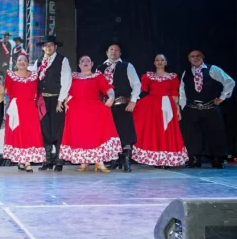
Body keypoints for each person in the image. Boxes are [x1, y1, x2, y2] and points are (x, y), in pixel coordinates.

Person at [59, 56, 121, 172]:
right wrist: (65, 100)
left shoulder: (98, 76)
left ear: (92, 64)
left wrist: (111, 97)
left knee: (95, 134)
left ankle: (99, 161)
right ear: (79, 65)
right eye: (82, 61)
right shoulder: (73, 77)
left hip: (94, 109)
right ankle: (84, 161)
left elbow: (108, 88)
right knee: (80, 135)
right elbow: (65, 89)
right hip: (76, 109)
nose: (85, 62)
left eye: (88, 61)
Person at [180, 50, 236, 169]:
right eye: (192, 56)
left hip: (209, 107)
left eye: (198, 56)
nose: (195, 58)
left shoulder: (213, 69)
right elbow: (182, 90)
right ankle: (195, 159)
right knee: (192, 135)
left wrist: (222, 97)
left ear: (203, 57)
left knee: (215, 133)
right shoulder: (186, 72)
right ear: (189, 59)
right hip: (192, 108)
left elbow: (229, 82)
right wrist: (183, 107)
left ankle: (217, 159)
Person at [133, 54, 188, 168]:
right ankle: (156, 158)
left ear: (166, 62)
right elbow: (142, 89)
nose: (159, 62)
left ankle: (166, 159)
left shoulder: (172, 77)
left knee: (167, 130)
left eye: (162, 60)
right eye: (157, 60)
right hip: (153, 106)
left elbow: (174, 94)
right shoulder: (149, 76)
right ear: (154, 62)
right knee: (155, 130)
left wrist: (177, 108)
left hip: (168, 105)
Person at [96, 43, 141, 172]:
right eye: (111, 50)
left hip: (123, 104)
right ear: (107, 52)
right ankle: (114, 160)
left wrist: (133, 101)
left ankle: (126, 161)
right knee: (110, 133)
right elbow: (96, 86)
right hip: (106, 106)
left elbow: (136, 84)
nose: (114, 52)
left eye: (116, 50)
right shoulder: (101, 67)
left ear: (120, 53)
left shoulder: (127, 66)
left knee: (125, 133)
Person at [32, 35, 72, 172]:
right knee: (45, 129)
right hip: (43, 100)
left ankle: (59, 160)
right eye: (46, 45)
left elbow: (66, 80)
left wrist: (61, 100)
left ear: (55, 47)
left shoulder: (62, 60)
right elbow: (34, 81)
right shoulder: (39, 62)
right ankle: (47, 160)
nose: (48, 47)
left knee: (58, 129)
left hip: (57, 99)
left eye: (51, 45)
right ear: (43, 48)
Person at [4, 54, 46, 171]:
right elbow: (8, 93)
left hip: (30, 108)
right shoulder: (10, 75)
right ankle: (22, 160)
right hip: (16, 108)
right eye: (19, 60)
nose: (22, 62)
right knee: (18, 133)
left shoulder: (34, 76)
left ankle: (27, 159)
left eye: (25, 60)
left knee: (29, 133)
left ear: (28, 63)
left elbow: (38, 92)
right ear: (16, 62)